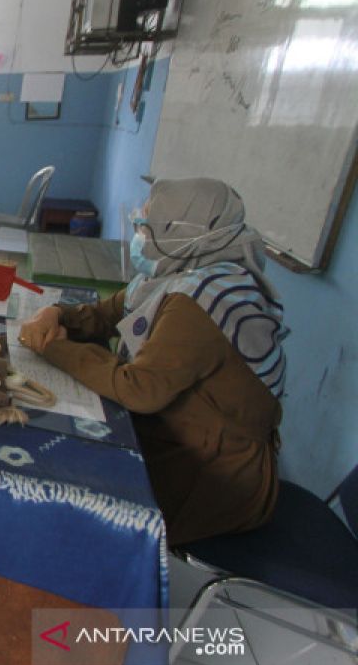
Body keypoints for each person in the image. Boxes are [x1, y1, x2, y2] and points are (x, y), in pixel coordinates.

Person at [18, 178, 287, 546]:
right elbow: (104, 313)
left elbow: (140, 389)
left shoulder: (208, 298)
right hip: (176, 434)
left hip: (215, 474)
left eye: (148, 226)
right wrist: (56, 315)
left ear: (183, 231)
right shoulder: (176, 272)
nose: (140, 235)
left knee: (70, 498)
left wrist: (54, 348)